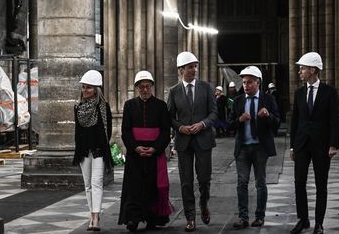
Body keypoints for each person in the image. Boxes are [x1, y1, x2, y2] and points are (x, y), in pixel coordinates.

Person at [290, 52, 339, 234]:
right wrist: (292, 146)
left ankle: (319, 223)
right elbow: (295, 121)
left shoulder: (330, 92)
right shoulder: (299, 93)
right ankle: (303, 220)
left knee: (321, 184)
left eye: (302, 68)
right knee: (298, 182)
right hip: (302, 144)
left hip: (322, 145)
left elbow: (335, 120)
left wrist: (333, 144)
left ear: (312, 70)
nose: (300, 72)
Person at [167, 51, 218, 232]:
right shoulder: (173, 92)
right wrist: (180, 128)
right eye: (190, 67)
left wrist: (203, 124)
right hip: (184, 142)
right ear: (181, 70)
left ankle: (204, 203)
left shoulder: (206, 87)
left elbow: (214, 113)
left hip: (203, 139)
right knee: (186, 181)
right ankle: (190, 217)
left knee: (204, 179)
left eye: (195, 66)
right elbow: (170, 117)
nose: (194, 70)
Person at [227, 66, 280, 229]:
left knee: (260, 183)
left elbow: (277, 122)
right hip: (242, 148)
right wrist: (239, 120)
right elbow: (229, 125)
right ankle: (243, 218)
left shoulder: (268, 99)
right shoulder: (238, 101)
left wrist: (268, 115)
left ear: (258, 83)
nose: (246, 86)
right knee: (242, 183)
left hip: (260, 148)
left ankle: (259, 216)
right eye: (243, 82)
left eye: (249, 82)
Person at [118, 71, 172, 232]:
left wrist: (155, 148)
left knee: (152, 187)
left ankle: (152, 218)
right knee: (134, 188)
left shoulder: (161, 105)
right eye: (141, 87)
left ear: (152, 87)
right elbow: (125, 131)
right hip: (135, 154)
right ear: (136, 88)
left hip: (155, 153)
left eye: (148, 86)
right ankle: (133, 219)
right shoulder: (129, 105)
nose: (145, 89)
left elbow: (165, 131)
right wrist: (135, 147)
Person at [73, 69, 114, 232]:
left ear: (96, 90)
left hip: (98, 150)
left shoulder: (104, 107)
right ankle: (91, 214)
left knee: (96, 183)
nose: (85, 91)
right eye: (83, 87)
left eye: (88, 87)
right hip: (83, 150)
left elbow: (108, 131)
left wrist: (100, 147)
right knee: (87, 185)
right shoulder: (77, 108)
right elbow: (77, 131)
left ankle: (96, 218)